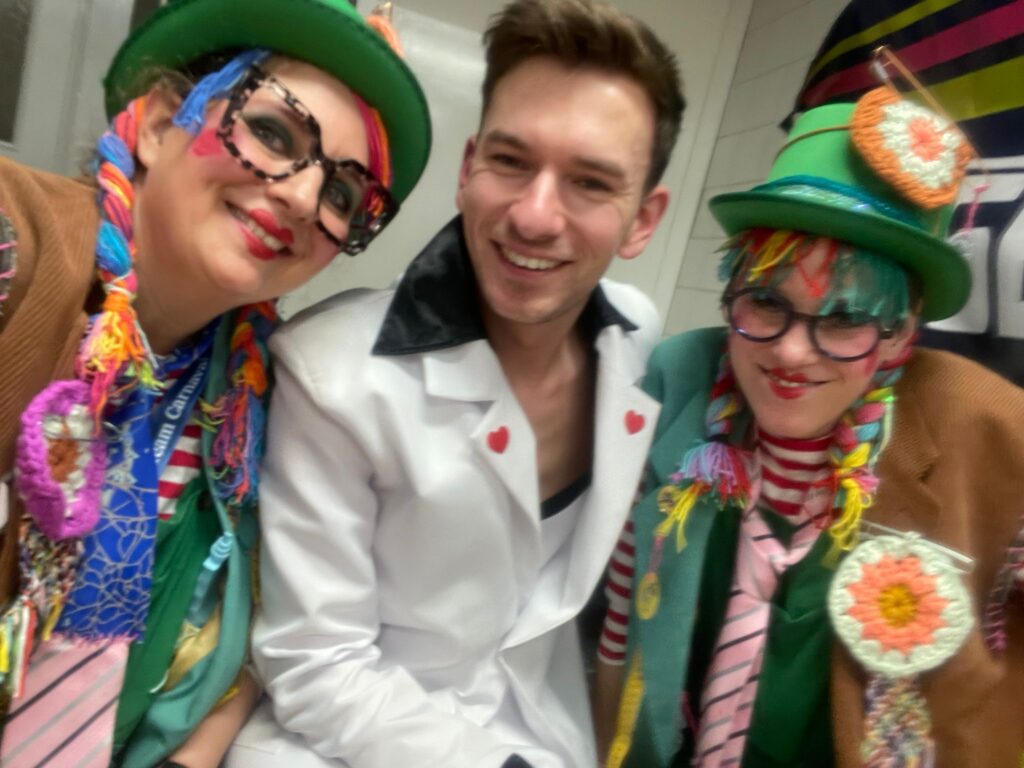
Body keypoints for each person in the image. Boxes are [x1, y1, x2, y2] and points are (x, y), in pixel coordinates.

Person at [226, 1, 684, 766]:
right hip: (350, 744)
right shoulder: (331, 372)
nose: (535, 216)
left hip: (549, 733)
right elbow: (317, 668)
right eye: (511, 161)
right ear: (468, 170)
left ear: (643, 219)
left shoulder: (639, 338)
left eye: (590, 182)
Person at [0, 0, 431, 765]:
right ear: (160, 123)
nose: (303, 198)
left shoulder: (255, 401)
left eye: (342, 195)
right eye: (274, 134)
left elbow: (257, 635)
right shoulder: (15, 246)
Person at [593, 90, 1024, 767]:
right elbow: (623, 624)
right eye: (766, 302)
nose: (792, 353)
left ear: (901, 333)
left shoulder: (984, 425)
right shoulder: (678, 382)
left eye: (846, 318)